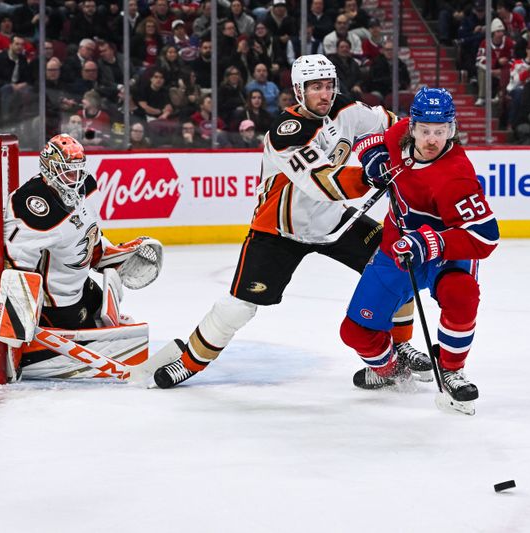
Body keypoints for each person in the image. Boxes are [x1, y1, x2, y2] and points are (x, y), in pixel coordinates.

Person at [152, 54, 431, 389]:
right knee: (239, 307)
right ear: (299, 91)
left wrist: (424, 140)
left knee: (398, 263)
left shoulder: (346, 110)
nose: (324, 94)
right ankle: (188, 362)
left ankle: (398, 349)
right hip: (280, 229)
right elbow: (323, 182)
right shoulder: (287, 133)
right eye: (315, 87)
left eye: (328, 85)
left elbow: (389, 124)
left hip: (333, 222)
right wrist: (373, 174)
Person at [341, 88, 499, 411]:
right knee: (354, 332)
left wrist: (431, 242)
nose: (432, 139)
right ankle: (390, 371)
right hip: (397, 248)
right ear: (412, 127)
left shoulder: (456, 177)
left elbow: (485, 237)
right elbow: (370, 131)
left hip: (446, 254)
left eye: (440, 131)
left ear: (451, 130)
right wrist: (372, 156)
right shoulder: (399, 134)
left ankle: (452, 369)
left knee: (462, 293)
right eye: (425, 130)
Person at [2, 134, 161, 371]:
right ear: (49, 168)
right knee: (104, 337)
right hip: (57, 303)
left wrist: (112, 255)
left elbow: (89, 237)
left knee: (109, 315)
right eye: (67, 171)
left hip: (81, 286)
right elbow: (16, 266)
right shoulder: (33, 206)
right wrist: (16, 322)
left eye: (77, 170)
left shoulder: (84, 186)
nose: (75, 178)